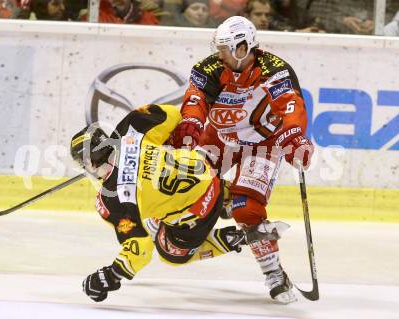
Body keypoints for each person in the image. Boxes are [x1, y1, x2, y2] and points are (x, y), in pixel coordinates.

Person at [70, 104, 286, 302]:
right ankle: (227, 198)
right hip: (211, 177)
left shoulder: (111, 200)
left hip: (196, 214)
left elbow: (140, 248)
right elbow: (173, 115)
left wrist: (111, 274)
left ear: (88, 164)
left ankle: (239, 238)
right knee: (170, 185)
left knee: (171, 253)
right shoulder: (131, 127)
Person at [171, 16, 314, 304]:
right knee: (185, 180)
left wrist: (295, 137)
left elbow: (290, 105)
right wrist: (191, 122)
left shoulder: (274, 69)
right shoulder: (209, 68)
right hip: (220, 137)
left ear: (242, 47)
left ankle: (274, 272)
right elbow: (196, 99)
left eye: (225, 48)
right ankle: (202, 206)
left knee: (246, 208)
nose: (219, 53)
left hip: (263, 144)